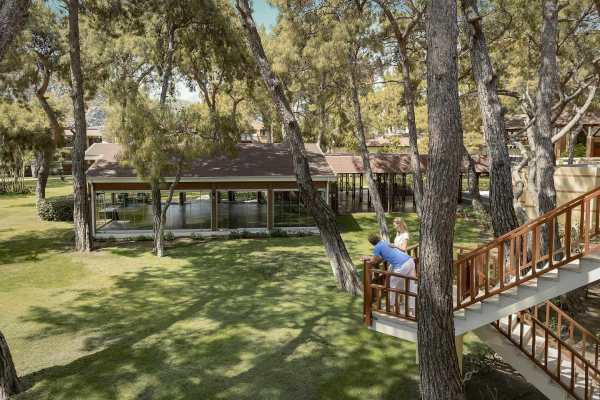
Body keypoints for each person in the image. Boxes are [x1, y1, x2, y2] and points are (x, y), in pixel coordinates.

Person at [361, 234, 416, 314]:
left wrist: (367, 259)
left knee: (390, 284)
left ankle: (390, 306)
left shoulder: (377, 247)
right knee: (411, 285)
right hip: (410, 261)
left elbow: (375, 262)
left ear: (371, 243)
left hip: (402, 265)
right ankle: (411, 308)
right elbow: (381, 259)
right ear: (378, 239)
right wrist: (369, 257)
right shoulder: (385, 243)